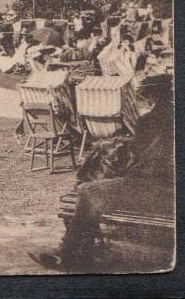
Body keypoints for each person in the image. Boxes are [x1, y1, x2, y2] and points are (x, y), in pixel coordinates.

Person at [29, 95, 174, 271]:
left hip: (158, 188)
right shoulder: (165, 118)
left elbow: (140, 156)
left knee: (88, 191)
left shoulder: (152, 120)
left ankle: (69, 253)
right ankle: (74, 251)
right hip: (159, 186)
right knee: (91, 190)